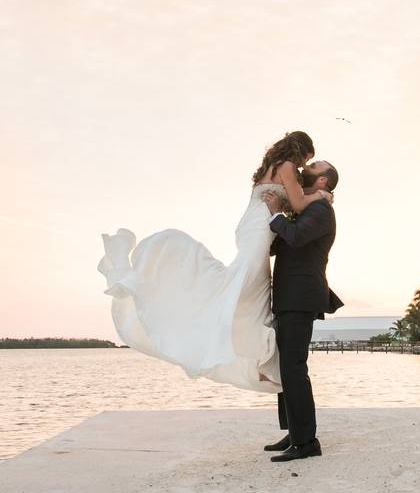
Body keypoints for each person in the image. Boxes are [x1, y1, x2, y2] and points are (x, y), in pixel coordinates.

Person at [97, 131, 333, 393]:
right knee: (246, 292)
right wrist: (321, 196)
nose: (303, 167)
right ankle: (248, 352)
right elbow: (299, 205)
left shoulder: (273, 164)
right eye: (306, 160)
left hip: (254, 227)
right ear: (300, 150)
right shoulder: (287, 166)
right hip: (259, 229)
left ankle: (256, 356)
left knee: (248, 292)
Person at [261, 161, 343, 462]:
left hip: (300, 297)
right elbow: (281, 244)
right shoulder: (308, 207)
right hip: (287, 297)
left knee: (294, 367)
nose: (306, 165)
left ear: (322, 180)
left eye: (314, 165)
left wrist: (277, 214)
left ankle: (307, 441)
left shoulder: (321, 211)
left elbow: (294, 236)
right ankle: (294, 432)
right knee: (286, 367)